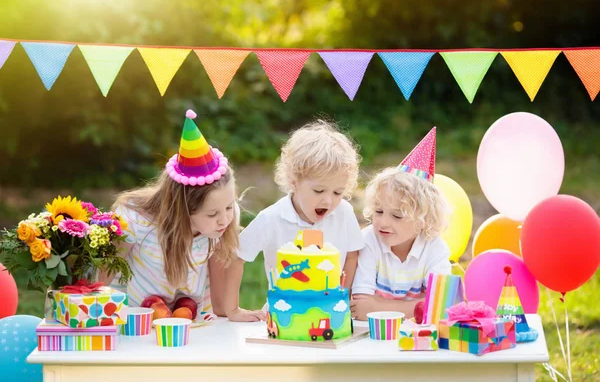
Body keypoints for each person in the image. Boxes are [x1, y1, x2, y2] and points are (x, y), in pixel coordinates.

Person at [100, 109, 265, 322]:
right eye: (213, 213)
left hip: (191, 323)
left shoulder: (220, 223)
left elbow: (218, 298)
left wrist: (231, 311)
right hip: (137, 322)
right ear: (183, 209)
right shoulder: (136, 219)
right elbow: (104, 279)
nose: (224, 219)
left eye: (229, 206)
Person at [224, 119, 364, 321]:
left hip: (331, 316)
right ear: (293, 181)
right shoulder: (271, 218)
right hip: (284, 317)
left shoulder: (344, 213)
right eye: (318, 190)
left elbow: (352, 255)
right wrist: (233, 310)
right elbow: (236, 257)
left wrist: (344, 296)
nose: (328, 200)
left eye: (338, 192)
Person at [351, 127, 451, 320]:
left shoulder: (435, 248)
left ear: (425, 219)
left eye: (397, 216)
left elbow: (441, 306)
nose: (383, 222)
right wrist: (420, 306)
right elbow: (361, 307)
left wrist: (378, 306)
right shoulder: (369, 240)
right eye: (378, 211)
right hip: (374, 337)